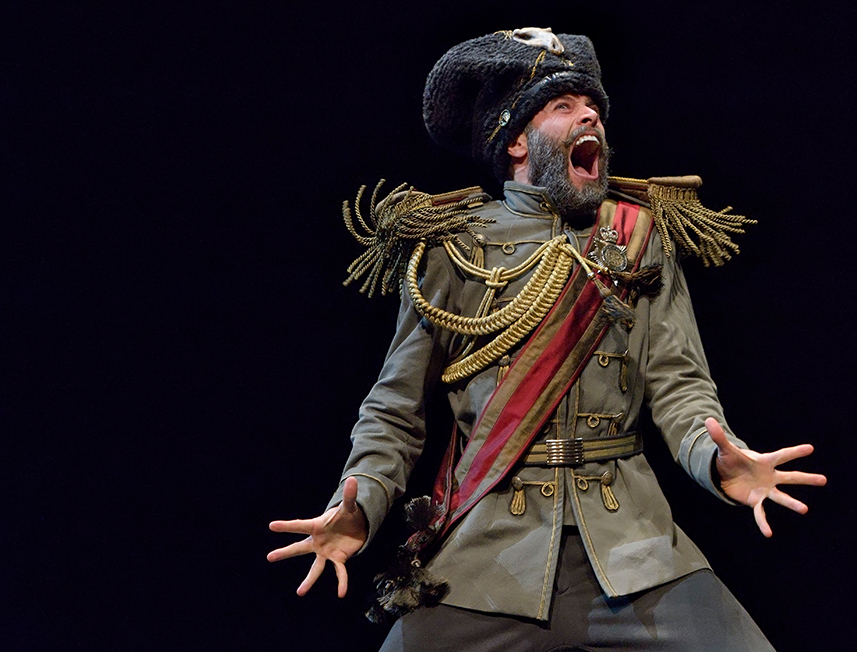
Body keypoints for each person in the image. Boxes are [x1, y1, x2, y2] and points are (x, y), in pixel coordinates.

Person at [268, 27, 826, 651]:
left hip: (632, 545)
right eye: (563, 106)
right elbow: (396, 409)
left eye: (593, 107)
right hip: (488, 557)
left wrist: (717, 458)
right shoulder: (453, 247)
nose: (590, 116)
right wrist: (362, 501)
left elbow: (680, 386)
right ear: (514, 141)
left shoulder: (638, 238)